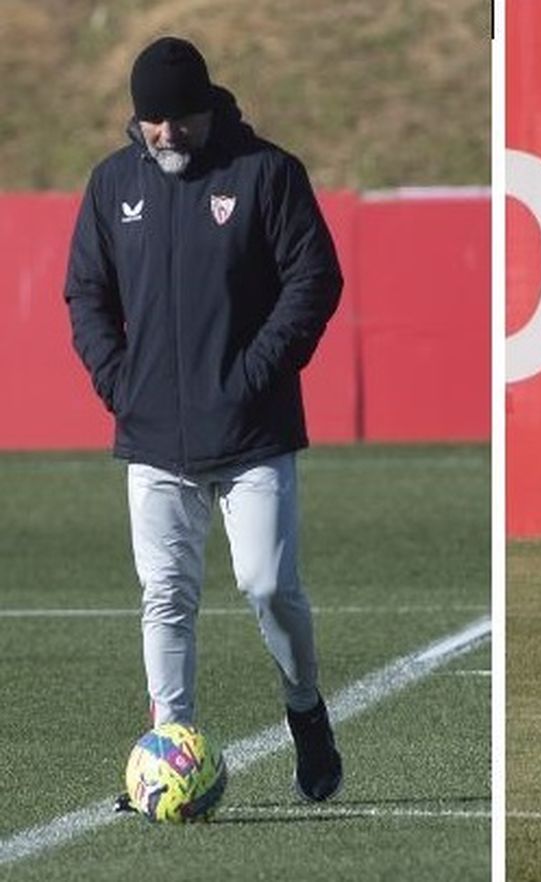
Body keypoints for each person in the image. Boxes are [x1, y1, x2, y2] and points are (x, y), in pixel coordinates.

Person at [65, 36, 344, 805]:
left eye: (180, 118)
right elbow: (86, 292)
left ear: (208, 109)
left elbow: (314, 279)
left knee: (268, 585)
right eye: (153, 121)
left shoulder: (267, 173)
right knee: (165, 596)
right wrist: (119, 383)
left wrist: (254, 374)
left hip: (253, 433)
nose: (167, 133)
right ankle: (167, 748)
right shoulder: (112, 183)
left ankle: (305, 710)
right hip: (153, 436)